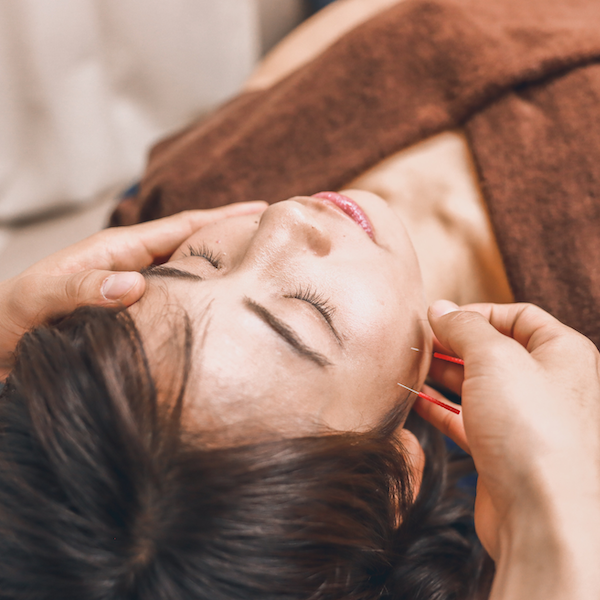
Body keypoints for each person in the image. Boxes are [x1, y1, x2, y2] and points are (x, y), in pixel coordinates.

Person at [1, 194, 600, 599]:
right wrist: (555, 518)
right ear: (398, 474)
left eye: (195, 264)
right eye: (310, 314)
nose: (283, 215)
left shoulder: (172, 189)